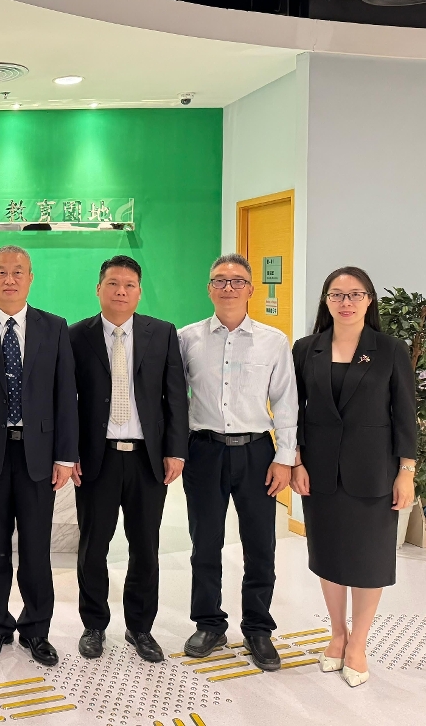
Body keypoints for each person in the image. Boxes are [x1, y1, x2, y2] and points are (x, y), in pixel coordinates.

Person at [290, 266, 417, 688]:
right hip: (320, 471)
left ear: (369, 300)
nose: (346, 302)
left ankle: (358, 642)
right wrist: (296, 461)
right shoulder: (306, 348)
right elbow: (293, 412)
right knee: (328, 554)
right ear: (326, 300)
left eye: (355, 294)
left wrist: (406, 471)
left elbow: (405, 416)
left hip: (374, 471)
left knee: (369, 559)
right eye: (337, 294)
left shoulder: (390, 349)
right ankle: (337, 634)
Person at [0, 245, 78, 667]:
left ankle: (37, 629)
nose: (10, 279)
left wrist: (65, 456)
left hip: (38, 455)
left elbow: (66, 394)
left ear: (30, 278)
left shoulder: (54, 327)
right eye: (2, 272)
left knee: (36, 548)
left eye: (18, 272)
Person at [177, 253, 298, 672]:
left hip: (257, 453)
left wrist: (284, 457)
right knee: (205, 543)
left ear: (251, 289)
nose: (228, 287)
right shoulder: (187, 338)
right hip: (204, 451)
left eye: (237, 281)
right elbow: (174, 400)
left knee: (260, 545)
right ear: (209, 288)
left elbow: (286, 402)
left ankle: (258, 627)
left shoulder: (273, 341)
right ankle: (209, 623)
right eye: (220, 280)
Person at [68, 255, 188, 663]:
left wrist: (175, 449)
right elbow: (66, 401)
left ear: (138, 291)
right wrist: (69, 453)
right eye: (113, 283)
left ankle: (140, 627)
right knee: (93, 547)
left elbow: (176, 396)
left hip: (146, 460)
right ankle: (93, 625)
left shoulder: (162, 333)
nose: (121, 291)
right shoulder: (76, 335)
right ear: (99, 289)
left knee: (145, 547)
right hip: (96, 459)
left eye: (129, 285)